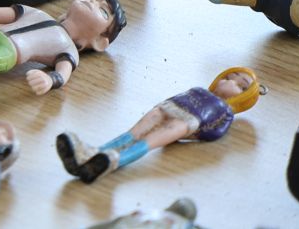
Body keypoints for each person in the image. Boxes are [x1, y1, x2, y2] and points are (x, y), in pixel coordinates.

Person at [55, 66, 262, 183]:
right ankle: (91, 152)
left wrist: (195, 134)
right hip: (167, 108)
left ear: (244, 97)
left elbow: (217, 131)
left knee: (149, 142)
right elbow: (179, 96)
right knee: (134, 133)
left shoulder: (225, 111)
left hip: (187, 122)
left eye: (240, 85)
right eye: (229, 77)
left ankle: (113, 160)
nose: (230, 82)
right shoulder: (199, 89)